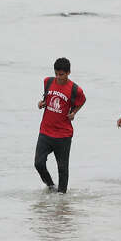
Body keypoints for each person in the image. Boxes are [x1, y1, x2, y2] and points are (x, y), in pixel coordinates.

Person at [34, 57, 86, 193]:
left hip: (63, 135)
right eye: (56, 73)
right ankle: (51, 186)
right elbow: (46, 99)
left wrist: (74, 112)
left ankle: (62, 201)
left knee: (62, 169)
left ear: (68, 72)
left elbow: (82, 100)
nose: (58, 77)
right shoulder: (48, 82)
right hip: (45, 131)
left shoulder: (75, 89)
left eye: (61, 74)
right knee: (38, 163)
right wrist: (41, 103)